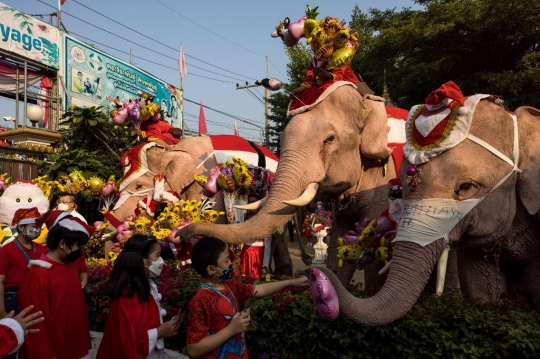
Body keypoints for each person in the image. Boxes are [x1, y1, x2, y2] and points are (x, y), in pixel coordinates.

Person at [186, 237, 308, 359]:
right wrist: (231, 330)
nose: (231, 264)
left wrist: (291, 282)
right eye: (227, 261)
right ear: (211, 269)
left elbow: (257, 290)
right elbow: (193, 349)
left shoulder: (229, 285)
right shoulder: (202, 300)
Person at [17, 210, 96, 359]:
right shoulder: (38, 276)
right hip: (55, 352)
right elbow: (36, 326)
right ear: (62, 243)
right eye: (78, 246)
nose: (80, 251)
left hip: (75, 349)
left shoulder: (70, 268)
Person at [96, 235, 181, 358]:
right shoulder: (127, 297)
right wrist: (159, 332)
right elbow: (128, 342)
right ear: (144, 261)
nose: (161, 261)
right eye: (157, 256)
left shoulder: (146, 285)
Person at [0, 208, 47, 325]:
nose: (37, 230)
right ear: (21, 227)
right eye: (33, 226)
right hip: (12, 299)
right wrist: (1, 311)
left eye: (39, 227)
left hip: (36, 296)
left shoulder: (42, 250)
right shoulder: (6, 251)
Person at [55, 192, 88, 287]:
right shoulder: (59, 215)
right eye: (59, 202)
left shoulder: (78, 218)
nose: (61, 204)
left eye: (64, 202)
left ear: (72, 204)